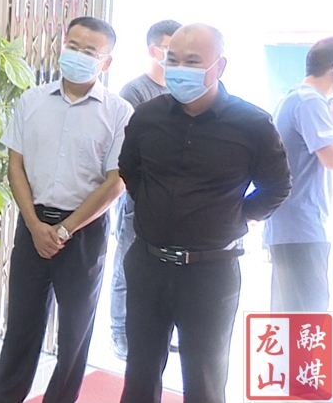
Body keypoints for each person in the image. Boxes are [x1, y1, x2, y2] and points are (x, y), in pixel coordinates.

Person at [118, 23, 291, 403]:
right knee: (140, 372)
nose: (180, 69)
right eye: (173, 60)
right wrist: (153, 205)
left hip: (211, 272)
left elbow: (277, 186)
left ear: (220, 66)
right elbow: (130, 171)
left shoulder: (252, 123)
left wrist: (236, 216)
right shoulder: (147, 116)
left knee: (205, 379)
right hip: (148, 264)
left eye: (193, 61)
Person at [0, 16, 133, 403]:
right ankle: (5, 396)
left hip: (84, 231)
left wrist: (66, 229)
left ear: (106, 62)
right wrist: (35, 225)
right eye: (73, 45)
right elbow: (15, 166)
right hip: (33, 224)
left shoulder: (119, 112)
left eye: (90, 51)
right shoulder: (31, 100)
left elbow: (116, 181)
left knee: (75, 329)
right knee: (22, 322)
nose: (78, 54)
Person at [109, 19, 181, 360]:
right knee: (128, 265)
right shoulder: (135, 92)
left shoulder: (182, 91)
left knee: (166, 271)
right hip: (139, 197)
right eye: (171, 49)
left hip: (174, 201)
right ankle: (120, 332)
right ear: (155, 50)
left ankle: (160, 331)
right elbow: (130, 152)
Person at [262, 37, 333, 313]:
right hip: (301, 229)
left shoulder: (295, 98)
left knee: (292, 317)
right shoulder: (310, 102)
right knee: (306, 317)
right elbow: (331, 158)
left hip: (292, 228)